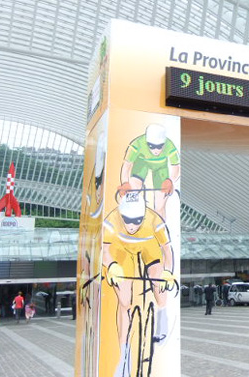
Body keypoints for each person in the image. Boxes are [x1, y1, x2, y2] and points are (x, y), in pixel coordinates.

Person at [102, 192, 177, 376]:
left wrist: (168, 271)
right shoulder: (111, 220)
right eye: (127, 219)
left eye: (137, 220)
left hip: (148, 246)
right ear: (121, 214)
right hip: (121, 249)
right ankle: (124, 357)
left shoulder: (154, 221)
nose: (132, 225)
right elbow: (104, 249)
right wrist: (111, 266)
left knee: (157, 280)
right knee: (124, 301)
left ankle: (162, 315)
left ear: (144, 214)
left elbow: (167, 250)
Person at [117, 124, 180, 220]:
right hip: (142, 163)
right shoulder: (137, 144)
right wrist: (125, 183)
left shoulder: (169, 145)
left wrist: (170, 181)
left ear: (164, 143)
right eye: (151, 146)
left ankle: (160, 227)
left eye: (159, 146)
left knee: (160, 205)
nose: (155, 150)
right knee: (133, 188)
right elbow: (127, 165)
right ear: (146, 142)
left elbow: (176, 167)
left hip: (160, 166)